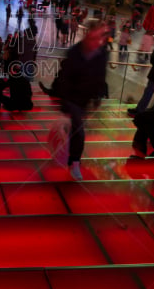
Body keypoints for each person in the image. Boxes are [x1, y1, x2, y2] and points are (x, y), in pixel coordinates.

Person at [39, 20, 109, 180]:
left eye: (100, 37)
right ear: (87, 35)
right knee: (79, 131)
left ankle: (69, 156)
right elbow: (65, 79)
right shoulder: (74, 53)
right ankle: (74, 162)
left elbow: (100, 76)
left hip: (85, 101)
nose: (97, 42)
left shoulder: (102, 54)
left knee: (73, 130)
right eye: (95, 37)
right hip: (72, 99)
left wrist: (96, 97)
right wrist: (66, 104)